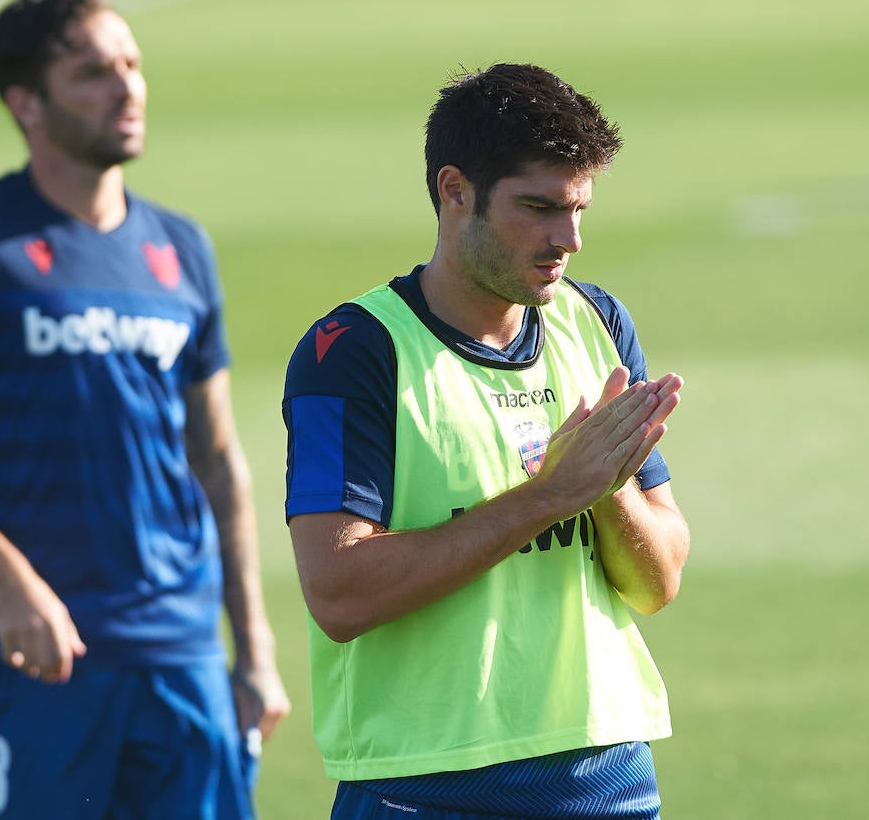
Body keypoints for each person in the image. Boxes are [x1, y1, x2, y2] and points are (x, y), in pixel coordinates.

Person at [0, 0, 289, 820]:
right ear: (25, 102)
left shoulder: (180, 247)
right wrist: (9, 581)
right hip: (37, 656)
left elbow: (215, 457)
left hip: (180, 653)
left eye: (131, 64)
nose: (127, 87)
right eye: (94, 72)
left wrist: (253, 645)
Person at [282, 63, 689, 819]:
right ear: (454, 190)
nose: (566, 238)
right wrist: (551, 495)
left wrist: (608, 496)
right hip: (426, 784)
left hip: (605, 774)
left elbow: (657, 580)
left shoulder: (596, 323)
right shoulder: (356, 351)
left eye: (577, 208)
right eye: (537, 207)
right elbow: (338, 591)